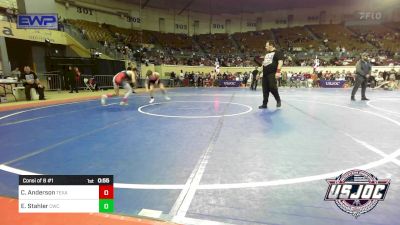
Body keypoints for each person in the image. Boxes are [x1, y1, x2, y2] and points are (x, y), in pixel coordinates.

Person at [259, 41, 283, 109]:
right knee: (265, 90)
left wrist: (278, 72)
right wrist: (259, 73)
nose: (265, 47)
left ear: (271, 45)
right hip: (265, 74)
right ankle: (264, 104)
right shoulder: (266, 54)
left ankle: (278, 100)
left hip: (272, 73)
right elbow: (263, 65)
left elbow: (280, 62)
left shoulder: (278, 53)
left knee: (272, 87)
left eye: (267, 46)